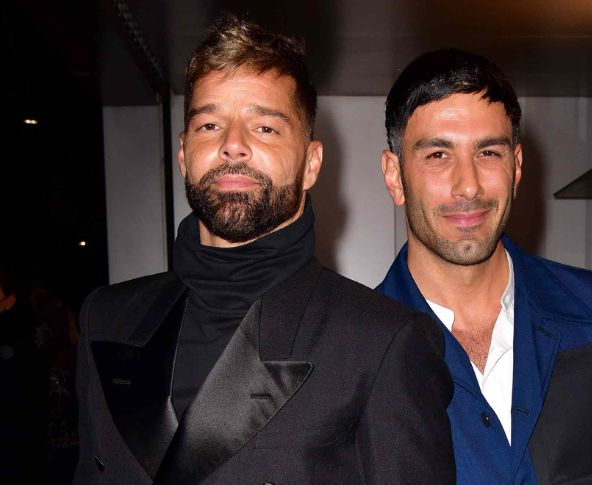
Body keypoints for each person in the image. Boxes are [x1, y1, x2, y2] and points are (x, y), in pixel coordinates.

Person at [73, 16, 454, 485]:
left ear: (311, 163)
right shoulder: (106, 319)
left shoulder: (382, 342)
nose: (232, 145)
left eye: (265, 128)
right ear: (184, 154)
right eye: (210, 124)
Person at [376, 49, 592, 484]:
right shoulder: (356, 352)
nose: (468, 185)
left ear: (517, 166)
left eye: (488, 152)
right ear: (395, 176)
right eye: (438, 155)